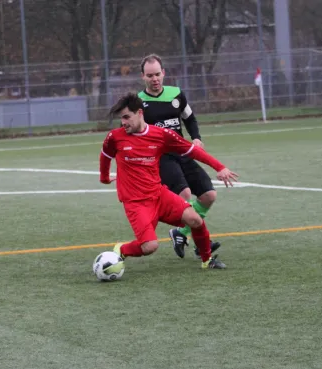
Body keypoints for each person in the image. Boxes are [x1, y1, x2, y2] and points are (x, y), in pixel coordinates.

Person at [99, 92, 239, 269]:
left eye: (127, 117)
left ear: (140, 113)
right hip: (136, 203)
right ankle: (122, 249)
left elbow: (192, 151)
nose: (123, 122)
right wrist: (104, 178)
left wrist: (219, 167)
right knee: (150, 246)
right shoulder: (115, 137)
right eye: (122, 118)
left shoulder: (161, 135)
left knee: (195, 219)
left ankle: (207, 260)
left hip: (159, 195)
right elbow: (105, 156)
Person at [137, 53, 220, 260]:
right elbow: (132, 132)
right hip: (161, 158)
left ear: (163, 73)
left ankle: (180, 233)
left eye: (157, 74)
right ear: (143, 77)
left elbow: (190, 119)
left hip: (183, 151)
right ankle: (203, 243)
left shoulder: (177, 94)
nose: (154, 79)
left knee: (209, 195)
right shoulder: (138, 102)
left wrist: (197, 138)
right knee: (183, 196)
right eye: (150, 76)